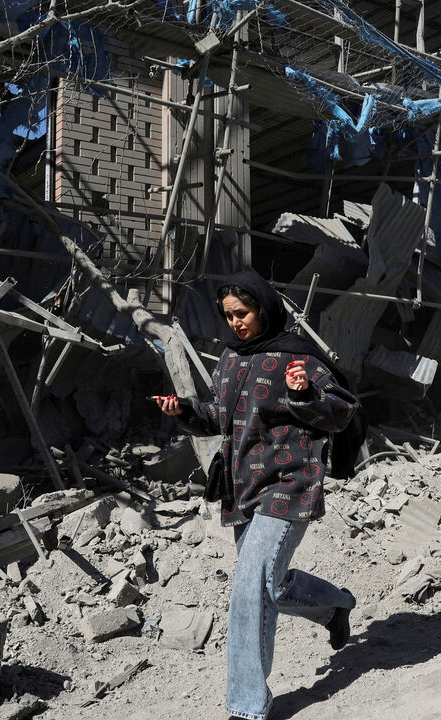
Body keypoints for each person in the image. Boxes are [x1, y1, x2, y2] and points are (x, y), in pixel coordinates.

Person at [156, 268, 359, 720]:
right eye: (228, 316)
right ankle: (334, 606)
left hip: (290, 486)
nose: (235, 323)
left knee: (249, 584)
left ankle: (247, 706)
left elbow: (341, 412)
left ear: (263, 308)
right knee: (267, 582)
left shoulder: (298, 359)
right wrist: (186, 410)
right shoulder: (230, 359)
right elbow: (221, 417)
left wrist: (304, 393)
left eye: (242, 313)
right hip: (242, 490)